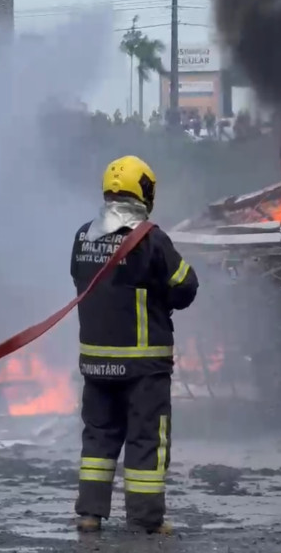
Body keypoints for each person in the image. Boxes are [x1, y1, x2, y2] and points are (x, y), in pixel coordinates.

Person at [71, 155, 199, 534]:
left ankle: (90, 515)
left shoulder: (82, 236)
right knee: (146, 439)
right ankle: (146, 520)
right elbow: (186, 286)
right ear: (145, 191)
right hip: (143, 365)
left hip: (96, 362)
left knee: (98, 436)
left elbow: (80, 280)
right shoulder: (151, 239)